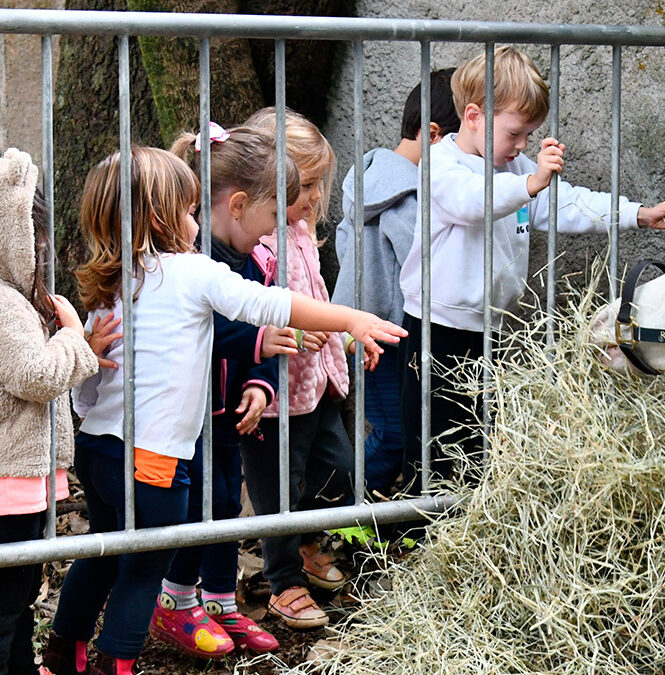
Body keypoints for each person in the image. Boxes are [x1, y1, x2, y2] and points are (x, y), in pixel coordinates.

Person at [41, 145, 405, 675]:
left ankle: (63, 652)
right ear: (167, 219)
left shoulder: (111, 285)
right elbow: (269, 305)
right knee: (144, 570)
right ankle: (114, 665)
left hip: (98, 450)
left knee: (102, 553)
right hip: (154, 460)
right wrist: (349, 318)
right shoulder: (193, 272)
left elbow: (89, 392)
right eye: (190, 211)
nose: (197, 222)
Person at [396, 46, 665, 501]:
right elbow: (472, 202)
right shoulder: (441, 165)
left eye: (530, 134)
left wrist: (637, 214)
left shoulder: (515, 168)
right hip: (436, 329)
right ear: (473, 116)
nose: (523, 145)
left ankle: (466, 531)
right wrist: (530, 184)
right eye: (515, 132)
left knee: (476, 442)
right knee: (429, 446)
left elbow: (567, 202)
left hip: (489, 326)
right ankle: (414, 542)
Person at [147, 124, 304, 659]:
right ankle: (174, 603)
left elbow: (266, 345)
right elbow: (209, 329)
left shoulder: (258, 261)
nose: (273, 232)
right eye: (270, 218)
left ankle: (219, 601)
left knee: (222, 503)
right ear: (238, 205)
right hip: (184, 412)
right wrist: (261, 340)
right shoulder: (188, 260)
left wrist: (261, 385)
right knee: (189, 505)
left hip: (229, 412)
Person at [0, 148, 114, 675]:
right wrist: (74, 338)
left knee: (18, 600)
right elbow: (36, 376)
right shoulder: (5, 304)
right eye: (37, 238)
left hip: (18, 484)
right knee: (5, 605)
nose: (44, 250)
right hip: (10, 486)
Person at [242, 107, 355, 630]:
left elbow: (315, 295)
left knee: (338, 470)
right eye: (303, 184)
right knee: (278, 491)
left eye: (317, 184)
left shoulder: (303, 231)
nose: (312, 196)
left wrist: (342, 337)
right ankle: (284, 580)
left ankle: (311, 544)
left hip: (318, 382)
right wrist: (278, 337)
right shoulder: (257, 241)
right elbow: (250, 311)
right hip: (274, 395)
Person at [331, 68, 460, 500]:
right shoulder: (410, 195)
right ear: (435, 135)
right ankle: (339, 507)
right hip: (386, 333)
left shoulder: (366, 179)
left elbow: (343, 244)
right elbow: (424, 261)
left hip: (362, 326)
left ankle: (351, 511)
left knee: (393, 429)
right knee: (396, 434)